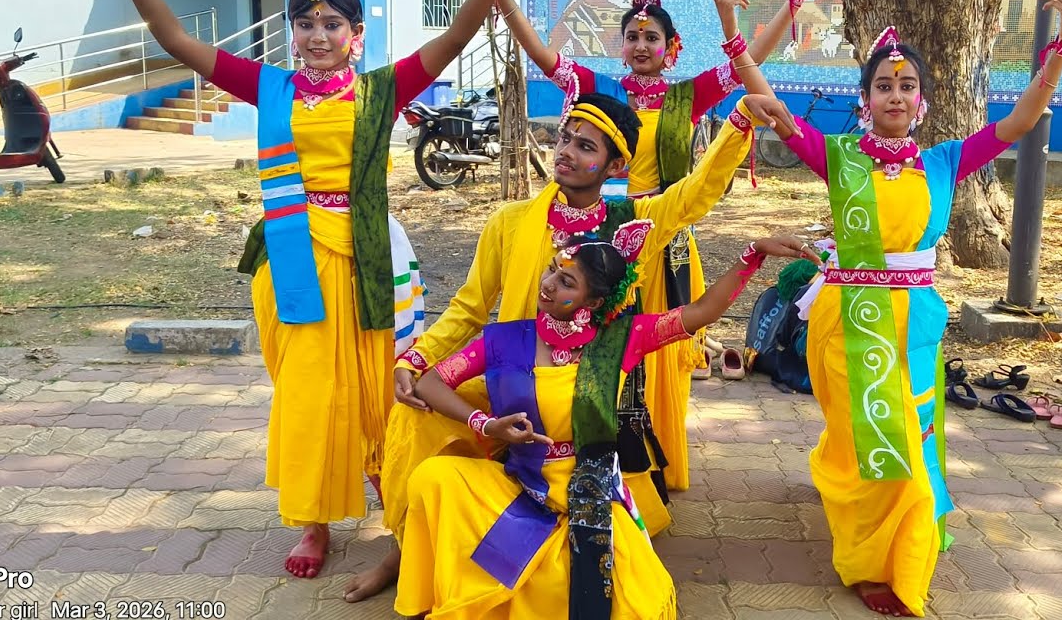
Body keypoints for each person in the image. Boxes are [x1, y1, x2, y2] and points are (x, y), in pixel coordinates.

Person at [55, 0, 558, 579]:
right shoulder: (269, 87)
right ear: (291, 33)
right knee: (311, 398)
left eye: (332, 24)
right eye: (306, 23)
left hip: (367, 261)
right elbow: (175, 39)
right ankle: (314, 522)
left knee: (385, 389)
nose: (317, 35)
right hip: (292, 261)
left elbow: (460, 33)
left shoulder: (383, 89)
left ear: (355, 34)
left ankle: (394, 502)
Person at [341, 88, 798, 602]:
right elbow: (470, 308)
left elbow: (696, 194)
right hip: (505, 378)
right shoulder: (510, 222)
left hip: (575, 395)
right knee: (415, 410)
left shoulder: (632, 222)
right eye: (564, 138)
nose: (566, 151)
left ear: (615, 163)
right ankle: (406, 549)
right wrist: (417, 358)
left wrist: (738, 123)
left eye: (586, 146)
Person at [779, 0, 1062, 617]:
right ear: (865, 98)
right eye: (884, 85)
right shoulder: (838, 157)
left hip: (915, 321)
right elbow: (770, 108)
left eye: (907, 85)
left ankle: (905, 542)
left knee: (910, 436)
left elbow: (1022, 120)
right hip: (849, 318)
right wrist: (748, 34)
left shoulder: (946, 160)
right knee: (863, 436)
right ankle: (867, 554)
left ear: (922, 99)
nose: (896, 94)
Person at [492, 0, 846, 492]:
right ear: (620, 45)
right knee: (596, 346)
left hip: (663, 234)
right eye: (631, 37)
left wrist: (791, 0)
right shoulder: (600, 92)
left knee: (652, 351)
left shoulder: (688, 96)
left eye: (650, 37)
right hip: (597, 239)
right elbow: (541, 55)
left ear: (669, 47)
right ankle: (593, 454)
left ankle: (650, 465)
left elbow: (750, 60)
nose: (640, 46)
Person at [393, 219, 818, 619]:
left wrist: (751, 254)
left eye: (566, 281)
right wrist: (485, 424)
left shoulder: (620, 340)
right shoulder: (506, 338)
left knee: (619, 595)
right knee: (433, 478)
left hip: (590, 488)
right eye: (552, 271)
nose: (547, 285)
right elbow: (431, 383)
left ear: (593, 302)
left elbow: (703, 312)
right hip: (519, 484)